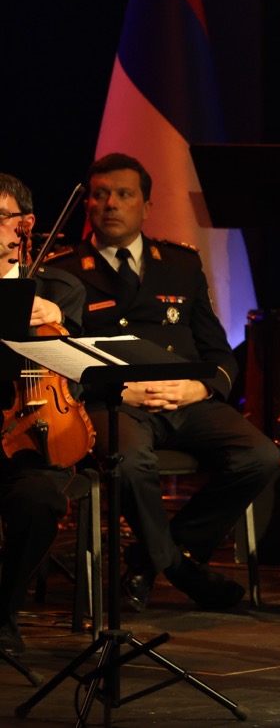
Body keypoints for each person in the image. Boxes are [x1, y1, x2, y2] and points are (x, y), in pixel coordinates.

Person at [47, 154, 279, 612]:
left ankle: (149, 558)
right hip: (114, 403)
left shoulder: (181, 264)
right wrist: (113, 389)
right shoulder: (63, 270)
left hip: (186, 399)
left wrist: (201, 388)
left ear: (146, 205)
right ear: (87, 204)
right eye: (100, 195)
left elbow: (218, 353)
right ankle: (179, 568)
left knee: (260, 456)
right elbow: (57, 360)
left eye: (124, 194)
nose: (111, 204)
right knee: (130, 461)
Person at [0, 173, 85, 657]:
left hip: (32, 436)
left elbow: (79, 374)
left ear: (25, 225)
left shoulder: (60, 288)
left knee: (38, 500)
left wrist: (60, 322)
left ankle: (4, 615)